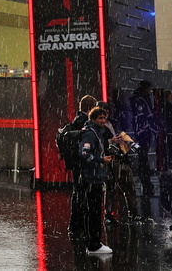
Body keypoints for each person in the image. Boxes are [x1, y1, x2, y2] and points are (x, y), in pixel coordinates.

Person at [79, 107, 114, 255]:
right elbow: (84, 153)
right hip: (92, 179)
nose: (103, 121)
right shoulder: (90, 134)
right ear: (93, 119)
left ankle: (94, 243)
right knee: (93, 212)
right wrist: (101, 159)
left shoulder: (97, 133)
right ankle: (93, 245)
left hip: (95, 178)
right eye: (100, 118)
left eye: (104, 118)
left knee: (94, 212)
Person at [66, 94, 98, 241]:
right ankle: (80, 227)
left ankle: (75, 226)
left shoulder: (76, 120)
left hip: (76, 164)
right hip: (82, 164)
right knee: (83, 196)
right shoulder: (86, 122)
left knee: (77, 194)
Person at [130, 81, 158, 189]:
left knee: (143, 155)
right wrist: (153, 128)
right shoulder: (141, 100)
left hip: (141, 131)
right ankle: (145, 180)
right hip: (144, 131)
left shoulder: (138, 99)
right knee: (143, 155)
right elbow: (146, 115)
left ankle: (145, 178)